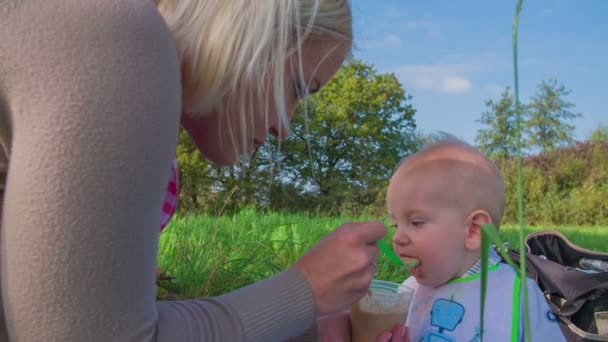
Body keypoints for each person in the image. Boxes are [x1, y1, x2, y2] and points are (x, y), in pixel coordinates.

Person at [0, 0, 406, 340]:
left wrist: (314, 330)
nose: (284, 127)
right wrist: (303, 291)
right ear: (251, 32)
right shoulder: (119, 38)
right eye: (297, 87)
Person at [388, 135, 565, 341]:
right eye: (395, 225)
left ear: (473, 230)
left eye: (416, 222)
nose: (398, 237)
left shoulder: (517, 293)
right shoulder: (409, 291)